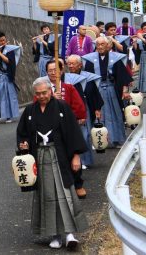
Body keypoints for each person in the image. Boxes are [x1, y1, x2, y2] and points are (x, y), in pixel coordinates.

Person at [17, 77, 88, 250]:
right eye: (38, 94)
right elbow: (22, 133)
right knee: (47, 196)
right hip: (40, 157)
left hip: (60, 156)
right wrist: (24, 144)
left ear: (50, 90)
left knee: (66, 195)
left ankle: (70, 234)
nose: (42, 96)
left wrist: (76, 156)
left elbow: (73, 132)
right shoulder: (30, 111)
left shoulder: (62, 107)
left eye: (44, 93)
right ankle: (55, 234)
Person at [45, 60, 87, 198]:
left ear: (61, 71)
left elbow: (77, 104)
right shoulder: (43, 89)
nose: (53, 72)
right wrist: (51, 98)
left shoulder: (68, 87)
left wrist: (80, 115)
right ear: (46, 73)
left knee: (72, 155)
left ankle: (78, 184)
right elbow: (36, 105)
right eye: (50, 70)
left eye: (55, 69)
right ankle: (58, 187)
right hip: (50, 129)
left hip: (68, 126)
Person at [82, 37, 133, 147]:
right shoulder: (90, 59)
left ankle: (117, 139)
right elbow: (88, 77)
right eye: (98, 44)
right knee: (97, 114)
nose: (100, 47)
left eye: (102, 44)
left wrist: (124, 91)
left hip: (111, 89)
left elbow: (122, 76)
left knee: (116, 113)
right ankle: (98, 142)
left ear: (108, 46)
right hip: (97, 89)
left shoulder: (115, 58)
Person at [67, 55, 104, 169]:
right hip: (69, 108)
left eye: (73, 63)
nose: (71, 66)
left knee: (85, 134)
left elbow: (94, 93)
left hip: (85, 107)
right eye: (69, 63)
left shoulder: (87, 77)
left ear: (80, 65)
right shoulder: (66, 78)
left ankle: (85, 160)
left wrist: (97, 109)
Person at [0, 31, 22, 124]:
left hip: (7, 76)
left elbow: (10, 62)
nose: (3, 42)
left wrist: (0, 54)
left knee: (9, 96)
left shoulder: (9, 50)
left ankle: (9, 116)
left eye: (4, 40)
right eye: (1, 41)